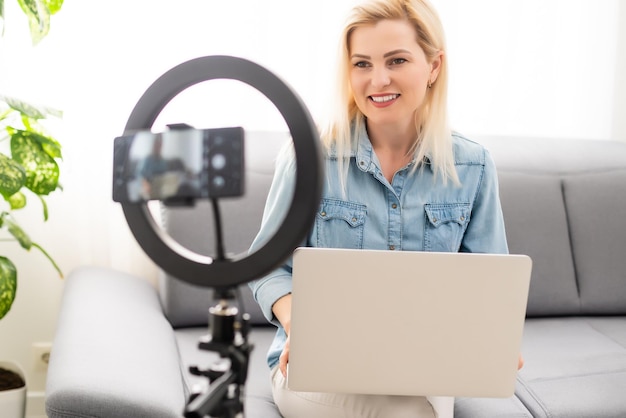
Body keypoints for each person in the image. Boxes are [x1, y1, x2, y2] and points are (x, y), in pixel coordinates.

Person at [248, 0, 521, 416]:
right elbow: (268, 267)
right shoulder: (311, 157)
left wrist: (492, 341)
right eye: (362, 64)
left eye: (396, 60)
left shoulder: (473, 165)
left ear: (433, 66)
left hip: (427, 368)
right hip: (323, 369)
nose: (378, 80)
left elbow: (489, 284)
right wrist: (298, 325)